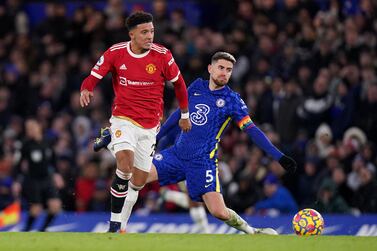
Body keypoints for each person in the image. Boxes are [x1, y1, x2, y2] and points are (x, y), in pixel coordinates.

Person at [95, 52, 297, 234]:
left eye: (228, 70)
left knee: (219, 212)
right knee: (134, 180)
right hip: (176, 155)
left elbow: (252, 131)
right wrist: (156, 138)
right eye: (221, 68)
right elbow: (178, 116)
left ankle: (252, 231)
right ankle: (118, 230)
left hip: (202, 163)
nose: (224, 73)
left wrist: (278, 155)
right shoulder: (196, 86)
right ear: (210, 68)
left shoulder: (232, 100)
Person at [80, 11, 191, 232]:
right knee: (125, 165)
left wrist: (185, 114)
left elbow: (179, 85)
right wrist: (86, 88)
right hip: (123, 118)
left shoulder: (162, 55)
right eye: (144, 32)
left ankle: (109, 140)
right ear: (132, 34)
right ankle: (115, 225)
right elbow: (93, 76)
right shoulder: (116, 52)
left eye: (151, 31)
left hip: (150, 125)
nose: (150, 36)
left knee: (138, 181)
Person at [16, 118, 62, 231]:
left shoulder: (48, 142)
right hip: (33, 179)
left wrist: (57, 174)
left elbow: (54, 160)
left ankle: (43, 230)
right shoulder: (25, 145)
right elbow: (18, 165)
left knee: (55, 206)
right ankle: (26, 231)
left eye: (32, 127)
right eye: (28, 129)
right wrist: (17, 181)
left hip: (47, 178)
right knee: (36, 209)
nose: (30, 130)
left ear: (38, 127)